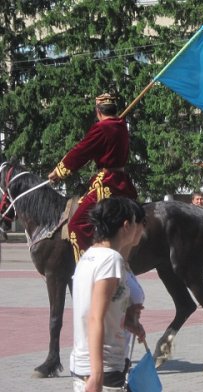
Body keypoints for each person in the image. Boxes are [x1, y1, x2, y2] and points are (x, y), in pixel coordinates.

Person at [48, 92, 137, 262]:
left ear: (98, 111)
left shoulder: (102, 128)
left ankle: (91, 264)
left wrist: (58, 172)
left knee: (77, 224)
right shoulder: (121, 125)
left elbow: (81, 151)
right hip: (123, 180)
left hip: (108, 183)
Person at [70, 196, 146, 392]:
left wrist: (126, 321)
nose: (140, 229)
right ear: (126, 225)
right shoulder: (111, 259)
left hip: (84, 361)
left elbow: (92, 309)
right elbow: (95, 317)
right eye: (137, 223)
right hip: (103, 365)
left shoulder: (89, 255)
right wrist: (97, 374)